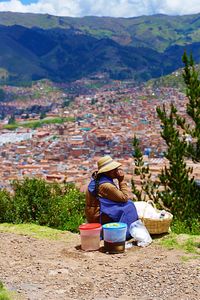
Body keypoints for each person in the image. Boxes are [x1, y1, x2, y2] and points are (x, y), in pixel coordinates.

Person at [85, 155, 138, 238]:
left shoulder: (99, 180)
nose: (116, 171)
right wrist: (121, 180)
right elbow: (124, 198)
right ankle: (125, 233)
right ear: (108, 171)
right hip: (98, 216)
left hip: (95, 213)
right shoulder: (106, 185)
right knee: (129, 205)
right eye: (114, 169)